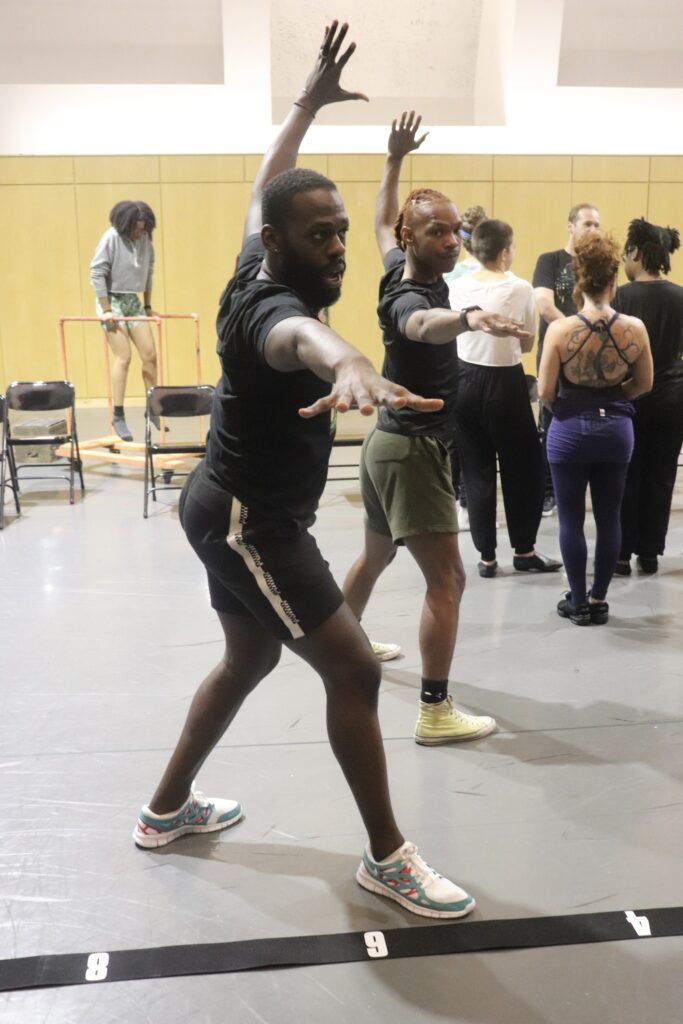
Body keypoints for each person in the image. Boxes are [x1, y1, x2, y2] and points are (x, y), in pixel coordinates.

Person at [132, 25, 479, 921]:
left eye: (339, 232)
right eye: (319, 236)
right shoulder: (272, 314)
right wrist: (350, 363)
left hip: (224, 504)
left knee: (247, 659)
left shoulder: (257, 247)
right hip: (249, 520)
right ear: (280, 249)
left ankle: (165, 811)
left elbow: (264, 183)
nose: (338, 247)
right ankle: (388, 857)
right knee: (355, 672)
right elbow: (303, 338)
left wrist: (305, 107)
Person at [343, 111, 531, 745]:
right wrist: (472, 317)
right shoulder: (409, 298)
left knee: (373, 555)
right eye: (438, 232)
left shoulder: (398, 262)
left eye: (456, 230)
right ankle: (434, 709)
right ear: (413, 237)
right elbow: (423, 328)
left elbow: (377, 219)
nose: (452, 240)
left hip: (385, 448)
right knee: (447, 581)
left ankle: (345, 644)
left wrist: (393, 160)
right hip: (412, 449)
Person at [538, 233, 653, 625]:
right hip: (617, 430)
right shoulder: (634, 329)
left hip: (569, 430)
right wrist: (613, 398)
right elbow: (645, 384)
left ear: (578, 280)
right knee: (610, 516)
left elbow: (544, 391)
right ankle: (600, 598)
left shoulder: (560, 330)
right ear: (613, 280)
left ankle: (578, 601)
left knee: (570, 518)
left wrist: (574, 405)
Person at [449, 218, 561, 578]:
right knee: (522, 468)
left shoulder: (457, 286)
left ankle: (486, 558)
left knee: (476, 469)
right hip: (504, 384)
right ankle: (524, 550)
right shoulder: (520, 287)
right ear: (504, 252)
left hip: (463, 382)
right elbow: (527, 342)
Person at [613, 218, 683, 575]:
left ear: (636, 252)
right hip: (673, 400)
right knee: (661, 476)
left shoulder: (621, 297)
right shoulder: (680, 296)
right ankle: (651, 553)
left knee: (626, 475)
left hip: (629, 399)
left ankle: (621, 554)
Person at [533, 203, 601, 515]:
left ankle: (582, 485)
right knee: (551, 417)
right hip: (556, 353)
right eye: (587, 224)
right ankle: (548, 490)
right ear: (570, 226)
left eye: (596, 225)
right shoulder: (550, 260)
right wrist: (574, 334)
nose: (593, 230)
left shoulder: (600, 265)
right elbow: (545, 305)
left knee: (589, 417)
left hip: (590, 356)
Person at [90, 200, 161, 441]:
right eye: (136, 228)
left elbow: (148, 273)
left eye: (143, 228)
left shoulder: (146, 242)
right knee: (124, 356)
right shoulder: (110, 238)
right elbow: (97, 272)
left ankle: (153, 408)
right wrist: (107, 309)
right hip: (111, 300)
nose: (139, 232)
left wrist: (148, 306)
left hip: (132, 300)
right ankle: (118, 415)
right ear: (125, 224)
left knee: (150, 355)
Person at [444, 204, 487, 530]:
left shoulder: (450, 275)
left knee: (459, 440)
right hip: (486, 364)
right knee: (483, 442)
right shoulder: (501, 278)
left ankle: (461, 502)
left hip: (456, 363)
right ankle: (474, 502)